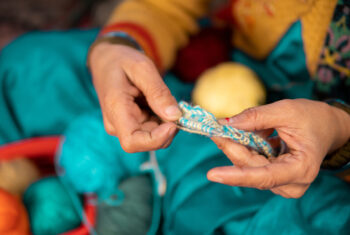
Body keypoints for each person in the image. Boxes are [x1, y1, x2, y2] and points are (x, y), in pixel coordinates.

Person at [88, 0, 350, 198]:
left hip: (328, 161)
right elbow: (164, 6)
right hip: (216, 54)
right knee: (53, 66)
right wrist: (116, 48)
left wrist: (339, 128)